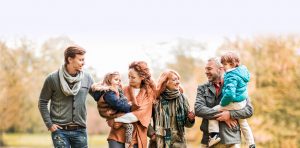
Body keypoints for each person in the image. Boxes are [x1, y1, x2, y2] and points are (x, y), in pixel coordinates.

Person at [38, 46, 95, 148]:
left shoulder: (87, 77)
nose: (83, 62)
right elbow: (42, 102)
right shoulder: (52, 79)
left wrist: (111, 89)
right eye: (80, 60)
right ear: (70, 59)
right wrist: (49, 124)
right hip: (60, 132)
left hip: (80, 130)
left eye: (84, 59)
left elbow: (99, 97)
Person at [194, 57, 254, 148]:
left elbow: (249, 110)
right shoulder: (202, 88)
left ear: (220, 69)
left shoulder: (234, 83)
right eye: (205, 69)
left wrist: (230, 114)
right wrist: (223, 116)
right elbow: (199, 109)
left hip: (231, 141)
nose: (206, 71)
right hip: (208, 142)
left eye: (209, 69)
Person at [106, 61, 156, 148]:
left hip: (137, 136)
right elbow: (110, 109)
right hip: (117, 134)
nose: (129, 80)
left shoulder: (148, 95)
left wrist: (115, 119)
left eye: (133, 77)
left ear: (142, 77)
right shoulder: (122, 89)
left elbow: (137, 116)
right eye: (128, 76)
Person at [147, 69, 195, 148]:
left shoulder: (183, 99)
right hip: (158, 143)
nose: (178, 82)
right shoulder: (156, 98)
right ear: (165, 82)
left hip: (178, 143)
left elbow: (187, 124)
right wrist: (152, 134)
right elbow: (145, 119)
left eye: (178, 79)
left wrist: (190, 119)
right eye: (174, 79)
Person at [93, 71, 134, 145]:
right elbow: (117, 104)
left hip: (112, 112)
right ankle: (128, 143)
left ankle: (127, 140)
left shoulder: (113, 90)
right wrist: (129, 107)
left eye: (119, 80)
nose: (118, 82)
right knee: (129, 125)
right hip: (110, 113)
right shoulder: (109, 92)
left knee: (128, 124)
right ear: (109, 80)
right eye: (116, 79)